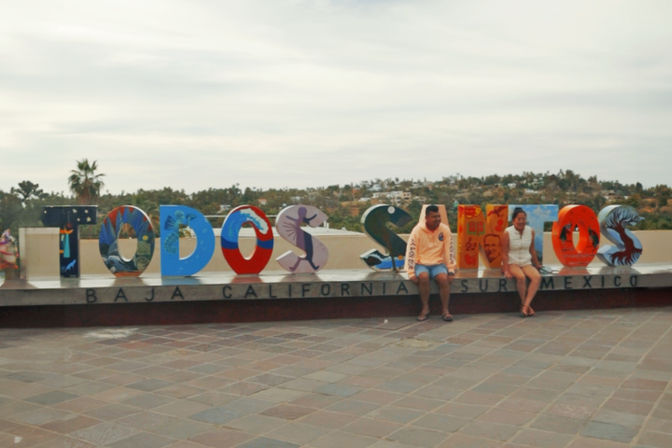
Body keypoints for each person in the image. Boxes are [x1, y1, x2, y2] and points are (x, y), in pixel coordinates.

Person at [405, 205, 456, 322]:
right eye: (434, 217)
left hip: (438, 263)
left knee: (443, 278)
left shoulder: (444, 229)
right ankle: (425, 308)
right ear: (427, 217)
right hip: (421, 263)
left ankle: (445, 311)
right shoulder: (417, 230)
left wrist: (451, 269)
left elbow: (450, 250)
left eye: (439, 216)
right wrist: (411, 272)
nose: (437, 219)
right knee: (423, 277)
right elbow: (411, 250)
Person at [501, 207, 542, 317]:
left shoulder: (530, 231)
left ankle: (525, 305)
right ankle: (526, 305)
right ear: (514, 220)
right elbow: (504, 253)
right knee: (521, 277)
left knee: (537, 277)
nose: (521, 221)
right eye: (519, 219)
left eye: (523, 219)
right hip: (512, 262)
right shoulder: (507, 232)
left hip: (526, 261)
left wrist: (537, 264)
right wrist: (506, 270)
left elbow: (532, 250)